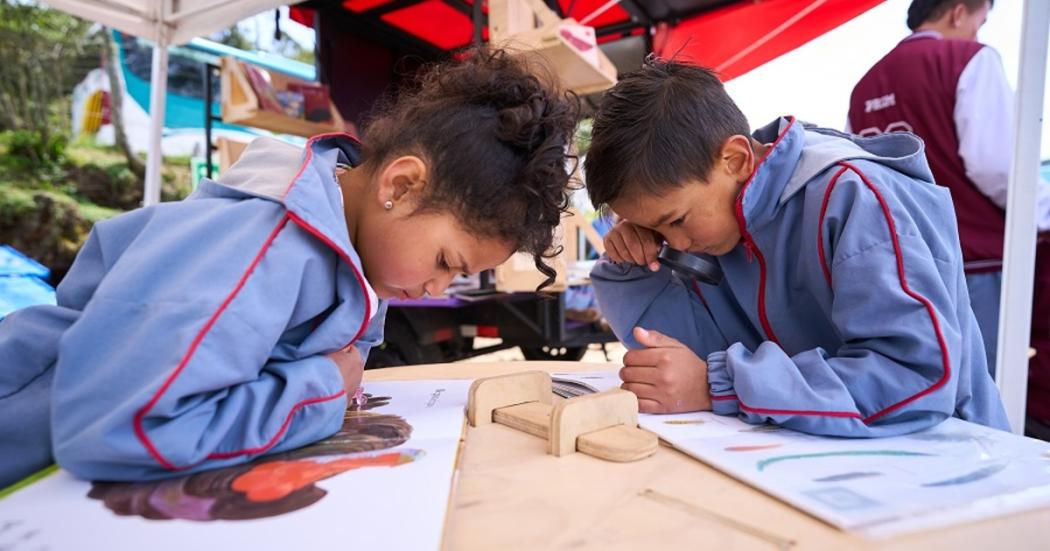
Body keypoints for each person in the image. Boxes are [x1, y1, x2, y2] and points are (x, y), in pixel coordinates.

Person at [0, 49, 579, 487]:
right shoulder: (258, 244)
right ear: (400, 186)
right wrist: (322, 387)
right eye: (446, 262)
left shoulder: (356, 260)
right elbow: (121, 426)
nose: (435, 287)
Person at [584, 58, 1008, 437]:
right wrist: (637, 264)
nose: (676, 243)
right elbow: (691, 359)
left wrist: (718, 385)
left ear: (736, 160)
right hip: (832, 466)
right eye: (652, 228)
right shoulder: (718, 220)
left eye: (675, 221)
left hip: (956, 462)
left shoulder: (853, 198)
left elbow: (914, 375)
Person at [848, 0, 1050, 438]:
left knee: (920, 395)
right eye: (981, 20)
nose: (979, 33)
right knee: (986, 401)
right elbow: (999, 167)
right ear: (959, 12)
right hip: (978, 264)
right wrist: (1043, 216)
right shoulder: (969, 60)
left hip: (900, 265)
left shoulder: (864, 86)